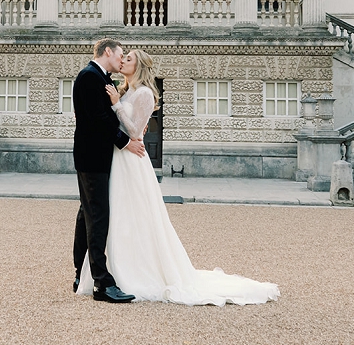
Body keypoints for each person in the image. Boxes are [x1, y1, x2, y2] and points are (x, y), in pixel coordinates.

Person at [76, 49, 281, 306]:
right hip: (117, 158)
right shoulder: (122, 89)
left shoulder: (143, 93)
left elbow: (135, 131)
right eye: (123, 56)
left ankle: (132, 274)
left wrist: (117, 106)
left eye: (128, 59)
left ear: (138, 66)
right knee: (116, 216)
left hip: (131, 158)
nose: (123, 60)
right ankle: (109, 272)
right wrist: (117, 105)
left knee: (133, 215)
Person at [72, 38, 147, 303]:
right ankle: (102, 284)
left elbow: (107, 116)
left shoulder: (103, 78)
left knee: (88, 215)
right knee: (97, 217)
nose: (121, 59)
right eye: (120, 55)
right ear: (107, 52)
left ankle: (81, 275)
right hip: (92, 158)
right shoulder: (89, 77)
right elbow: (98, 120)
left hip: (98, 158)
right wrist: (126, 142)